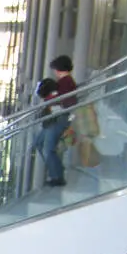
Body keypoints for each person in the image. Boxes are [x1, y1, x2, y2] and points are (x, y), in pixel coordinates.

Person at [40, 55, 77, 186]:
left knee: (48, 148)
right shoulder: (66, 82)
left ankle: (57, 176)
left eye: (55, 69)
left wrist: (50, 99)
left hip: (58, 118)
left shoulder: (65, 82)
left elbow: (63, 101)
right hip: (56, 118)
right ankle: (57, 171)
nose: (54, 72)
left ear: (59, 68)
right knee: (39, 144)